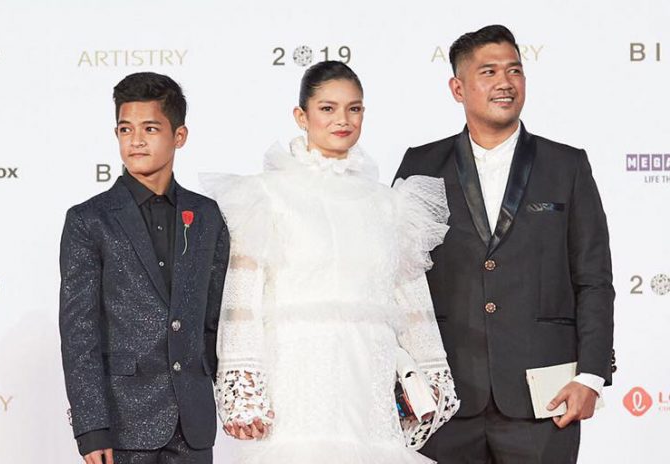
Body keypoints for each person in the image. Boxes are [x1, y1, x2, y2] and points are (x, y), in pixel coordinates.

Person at [201, 61, 459, 464]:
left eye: (354, 109)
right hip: (297, 380)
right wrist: (243, 382)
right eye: (327, 108)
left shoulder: (388, 203)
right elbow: (241, 300)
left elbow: (412, 301)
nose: (342, 119)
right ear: (301, 116)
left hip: (370, 384)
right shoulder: (265, 194)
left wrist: (431, 370)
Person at [394, 25, 615, 463]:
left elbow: (594, 278)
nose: (505, 82)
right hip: (444, 396)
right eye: (489, 71)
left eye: (515, 70)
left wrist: (591, 375)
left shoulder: (567, 165)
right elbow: (398, 278)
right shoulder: (421, 164)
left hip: (545, 399)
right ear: (458, 88)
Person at [59, 72, 229, 464]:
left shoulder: (206, 215)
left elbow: (214, 318)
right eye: (125, 129)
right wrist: (91, 427)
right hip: (123, 426)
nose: (135, 140)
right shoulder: (90, 220)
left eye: (150, 128)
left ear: (179, 136)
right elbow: (79, 332)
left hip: (193, 425)